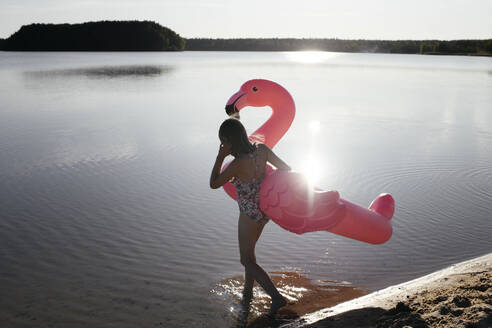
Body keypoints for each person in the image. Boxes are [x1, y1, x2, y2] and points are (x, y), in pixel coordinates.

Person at [210, 118, 291, 317]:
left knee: (245, 260)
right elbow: (286, 169)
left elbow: (214, 183)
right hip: (264, 212)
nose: (222, 145)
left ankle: (276, 297)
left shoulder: (238, 164)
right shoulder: (261, 150)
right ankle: (247, 292)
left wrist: (220, 157)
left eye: (223, 142)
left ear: (228, 141)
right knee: (250, 255)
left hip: (248, 215)